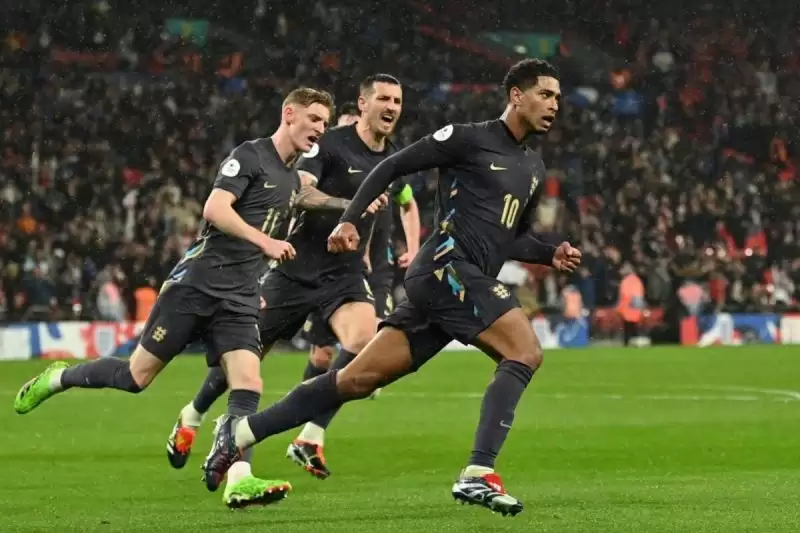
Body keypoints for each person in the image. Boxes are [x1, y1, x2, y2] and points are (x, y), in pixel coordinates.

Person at [200, 59, 582, 516]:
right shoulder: (467, 138)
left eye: (558, 97)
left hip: (456, 283)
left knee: (355, 380)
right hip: (446, 268)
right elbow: (392, 166)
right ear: (516, 96)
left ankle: (238, 433)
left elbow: (510, 237)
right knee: (525, 351)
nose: (554, 105)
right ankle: (479, 472)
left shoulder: (534, 166)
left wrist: (549, 253)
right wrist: (348, 219)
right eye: (545, 94)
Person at [13, 87, 346, 509]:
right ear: (289, 113)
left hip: (240, 297)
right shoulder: (250, 155)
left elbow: (302, 198)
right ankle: (59, 378)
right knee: (135, 378)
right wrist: (265, 242)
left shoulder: (292, 177)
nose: (320, 128)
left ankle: (239, 480)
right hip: (196, 285)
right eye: (314, 119)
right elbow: (215, 209)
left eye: (325, 123)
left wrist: (350, 206)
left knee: (248, 382)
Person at [167, 74, 409, 480]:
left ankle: (310, 434)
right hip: (296, 267)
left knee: (363, 342)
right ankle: (193, 413)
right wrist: (346, 206)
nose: (392, 107)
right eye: (383, 98)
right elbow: (301, 191)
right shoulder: (329, 144)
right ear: (363, 104)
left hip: (345, 273)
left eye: (398, 101)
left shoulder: (394, 161)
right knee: (245, 358)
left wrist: (367, 251)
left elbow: (382, 216)